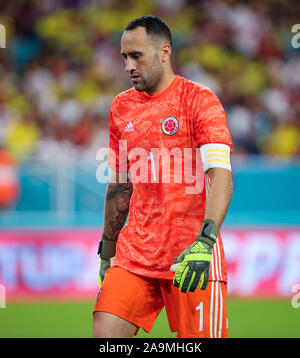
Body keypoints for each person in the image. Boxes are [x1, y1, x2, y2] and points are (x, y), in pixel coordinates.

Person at [93, 15, 233, 338]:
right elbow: (119, 185)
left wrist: (205, 242)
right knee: (105, 334)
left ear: (164, 53)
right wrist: (107, 249)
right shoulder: (121, 107)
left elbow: (221, 176)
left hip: (190, 256)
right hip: (134, 256)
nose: (128, 66)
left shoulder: (199, 101)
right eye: (124, 58)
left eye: (136, 56)